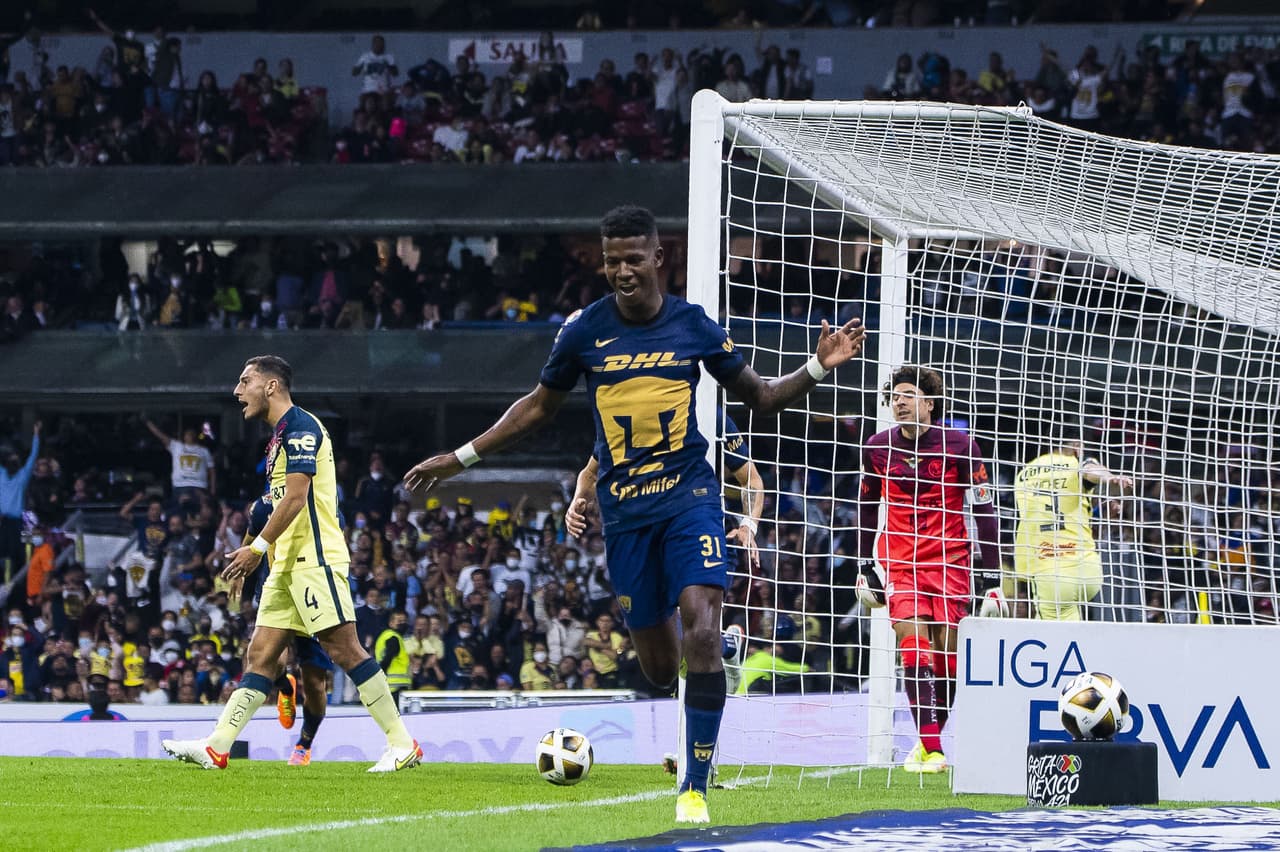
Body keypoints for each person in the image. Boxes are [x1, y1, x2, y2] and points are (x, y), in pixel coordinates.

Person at [403, 205, 865, 823]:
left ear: (658, 258)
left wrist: (816, 366)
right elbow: (537, 407)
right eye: (611, 261)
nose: (622, 271)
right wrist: (461, 458)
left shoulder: (692, 326)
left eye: (633, 259)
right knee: (660, 667)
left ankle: (694, 787)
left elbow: (760, 397)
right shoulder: (583, 331)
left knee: (701, 625)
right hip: (625, 515)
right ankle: (708, 661)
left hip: (690, 499)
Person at [163, 356, 420, 772]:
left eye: (244, 381)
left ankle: (401, 743)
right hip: (286, 564)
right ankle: (217, 746)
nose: (237, 391)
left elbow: (296, 498)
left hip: (313, 559)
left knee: (345, 649)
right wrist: (251, 548)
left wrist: (256, 549)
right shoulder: (279, 437)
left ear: (271, 386)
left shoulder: (301, 428)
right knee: (261, 656)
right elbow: (272, 503)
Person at [856, 366, 1000, 775]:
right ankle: (934, 751)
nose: (898, 402)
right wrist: (865, 564)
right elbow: (866, 507)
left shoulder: (961, 445)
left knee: (948, 660)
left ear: (930, 402)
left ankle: (926, 742)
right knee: (913, 647)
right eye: (894, 397)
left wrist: (992, 577)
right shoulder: (877, 448)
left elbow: (984, 510)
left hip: (951, 562)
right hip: (901, 563)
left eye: (907, 395)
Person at [233, 493, 332, 767]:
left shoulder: (322, 501)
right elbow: (250, 541)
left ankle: (304, 744)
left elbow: (335, 544)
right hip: (275, 590)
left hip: (311, 593)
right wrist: (240, 573)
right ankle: (284, 686)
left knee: (314, 683)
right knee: (266, 661)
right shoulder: (263, 506)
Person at [1013, 426, 1133, 622]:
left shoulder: (1025, 473)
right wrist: (1110, 478)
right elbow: (1089, 469)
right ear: (1077, 446)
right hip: (1086, 566)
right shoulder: (1074, 465)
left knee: (1053, 634)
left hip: (1050, 570)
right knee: (1072, 624)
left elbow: (1042, 513)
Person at [143, 418, 215, 509]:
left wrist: (213, 489)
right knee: (181, 508)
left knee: (200, 509)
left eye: (192, 433)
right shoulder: (176, 446)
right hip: (180, 486)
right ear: (184, 436)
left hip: (199, 486)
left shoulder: (204, 451)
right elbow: (160, 436)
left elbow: (212, 471)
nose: (190, 435)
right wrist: (148, 423)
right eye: (188, 433)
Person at [0, 422, 39, 582]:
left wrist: (36, 436)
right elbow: (32, 457)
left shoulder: (22, 476)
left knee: (16, 552)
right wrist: (36, 435)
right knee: (5, 554)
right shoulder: (3, 474)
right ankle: (6, 580)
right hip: (4, 520)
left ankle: (17, 580)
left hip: (18, 521)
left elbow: (33, 457)